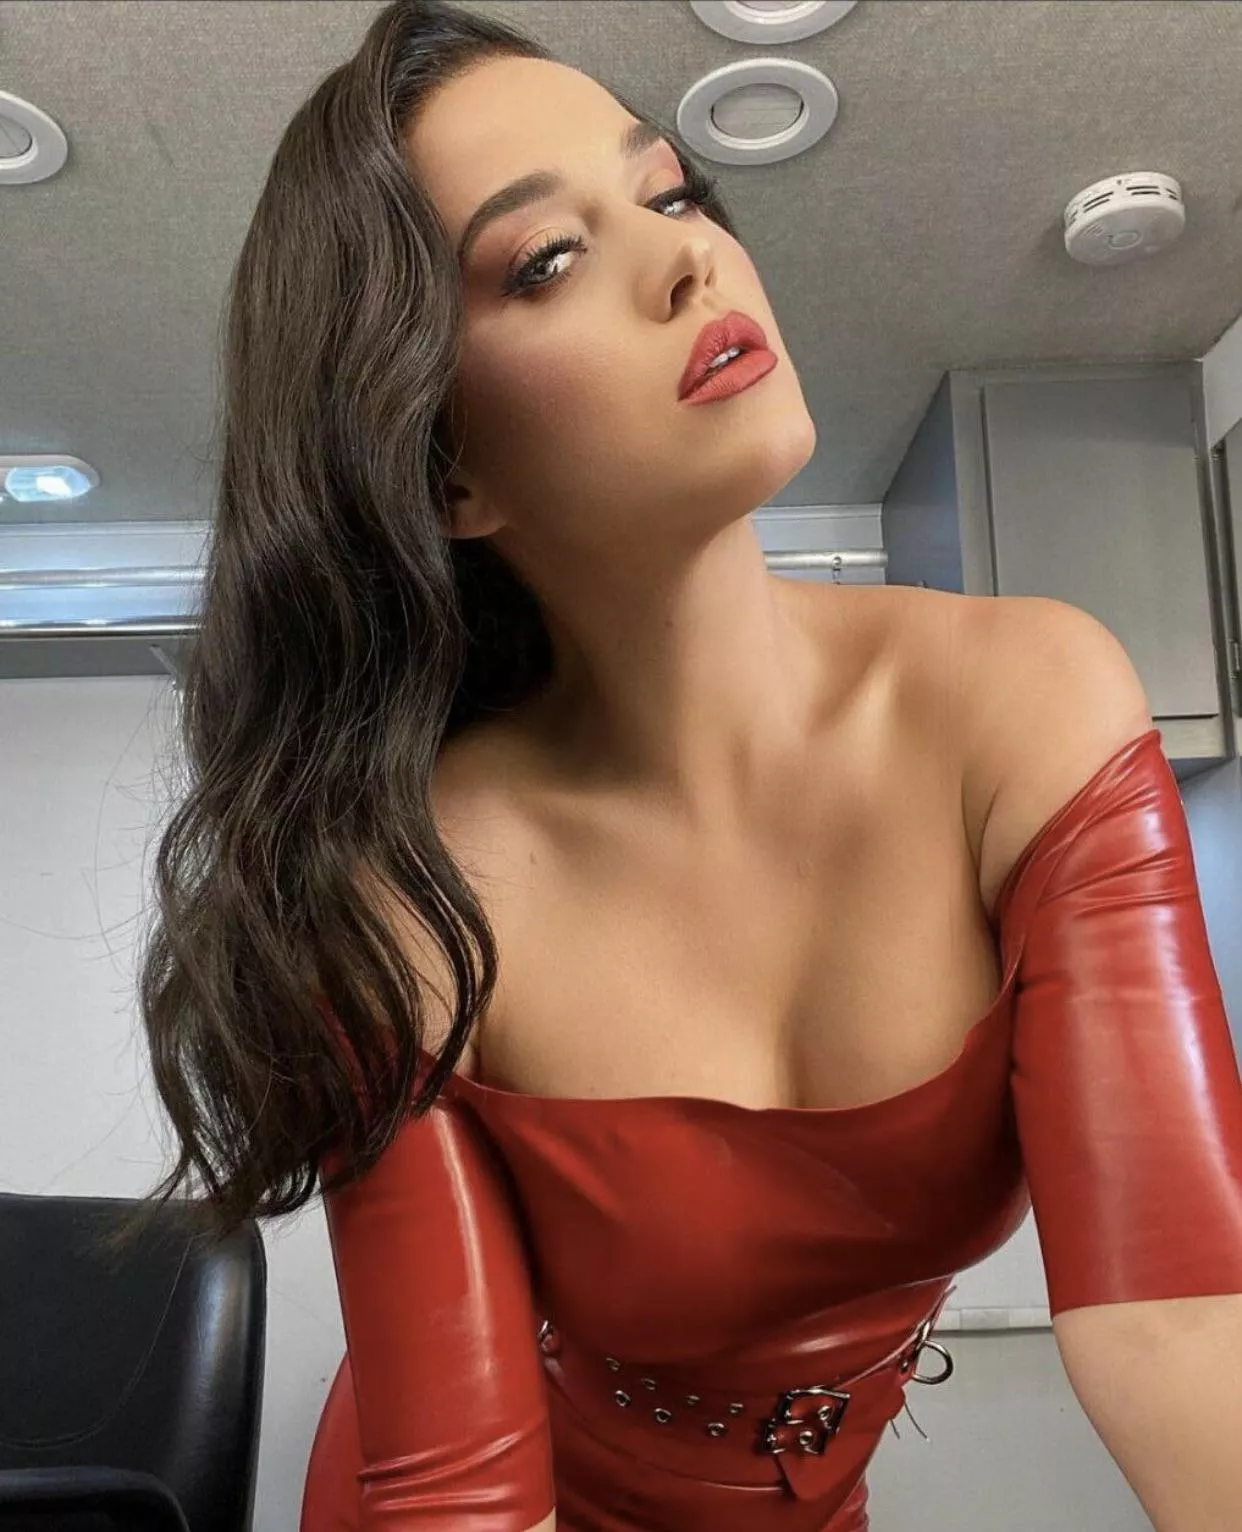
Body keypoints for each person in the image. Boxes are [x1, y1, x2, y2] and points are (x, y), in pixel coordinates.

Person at [120, 3, 1242, 1529]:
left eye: (669, 193)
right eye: (546, 261)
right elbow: (461, 1490)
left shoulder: (1026, 705)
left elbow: (1182, 1323)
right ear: (446, 469)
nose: (685, 259)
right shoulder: (403, 887)